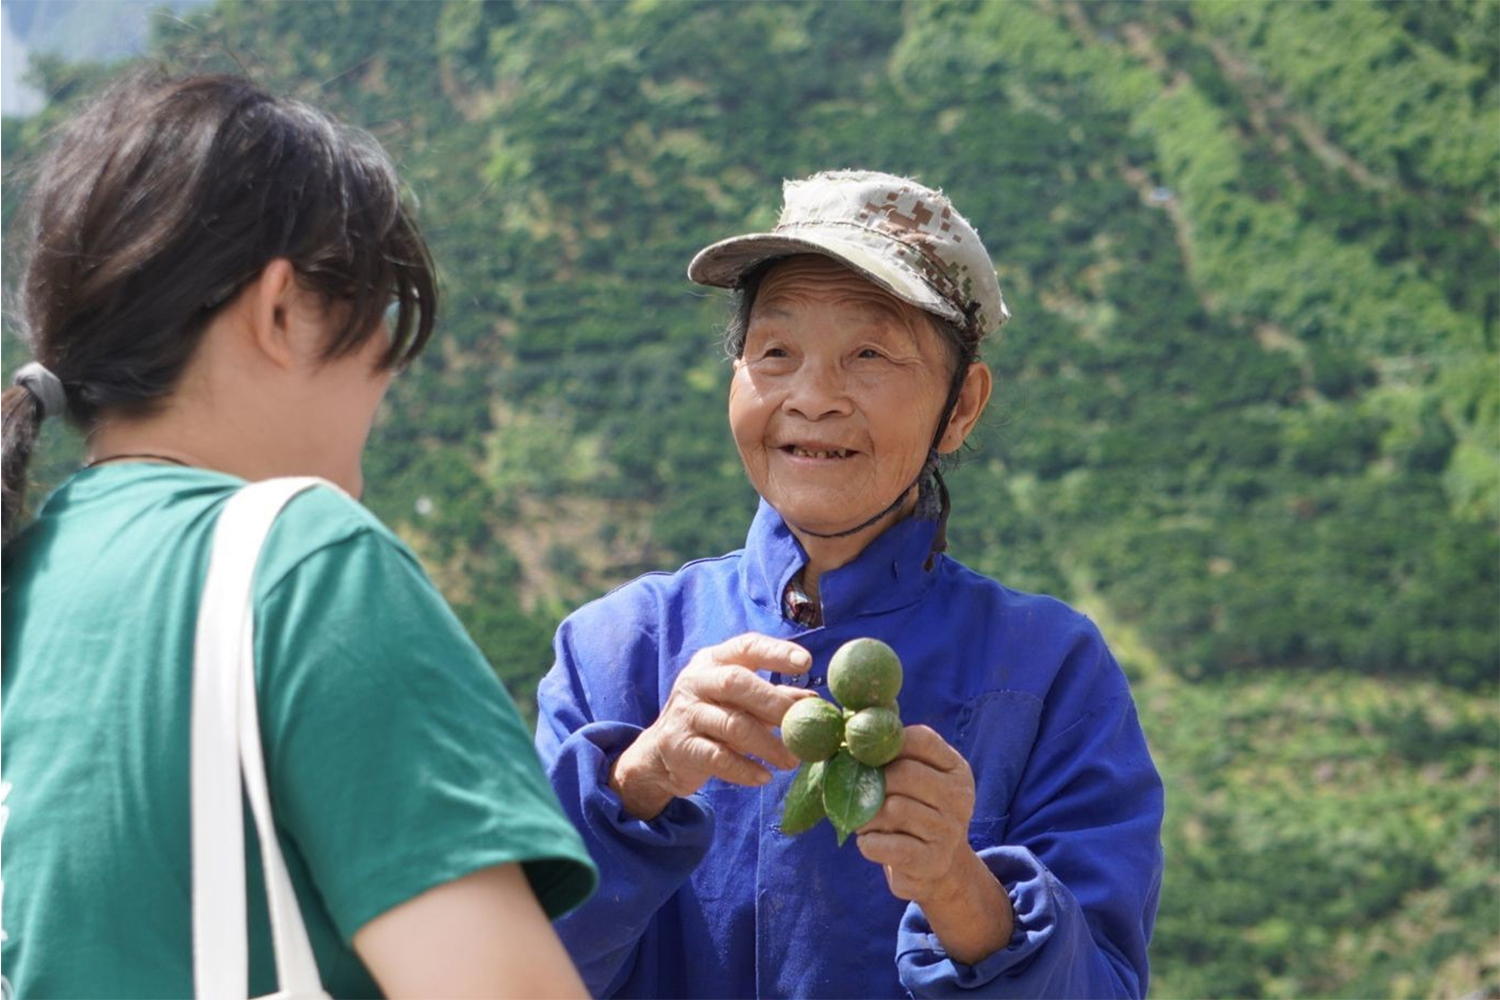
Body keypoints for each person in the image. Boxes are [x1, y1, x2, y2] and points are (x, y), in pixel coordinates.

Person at [1, 71, 597, 1000]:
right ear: (281, 312)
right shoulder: (303, 565)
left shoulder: (25, 572)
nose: (389, 374)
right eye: (387, 316)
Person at [536, 170, 1165, 999]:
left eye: (869, 354)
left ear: (961, 405)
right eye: (775, 352)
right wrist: (642, 777)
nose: (813, 397)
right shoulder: (617, 648)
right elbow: (504, 962)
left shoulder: (1047, 671)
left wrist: (955, 884)